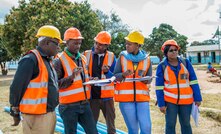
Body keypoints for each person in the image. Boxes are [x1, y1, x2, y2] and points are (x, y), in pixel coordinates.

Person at [9, 25, 62, 134]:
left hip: (48, 113)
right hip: (36, 117)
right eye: (57, 44)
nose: (59, 48)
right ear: (47, 42)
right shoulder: (31, 60)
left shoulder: (47, 60)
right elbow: (16, 87)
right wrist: (14, 110)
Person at [53, 27, 97, 134]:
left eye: (79, 43)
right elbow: (56, 84)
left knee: (93, 131)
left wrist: (90, 79)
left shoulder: (83, 58)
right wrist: (72, 77)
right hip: (68, 107)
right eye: (75, 43)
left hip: (84, 104)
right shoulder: (58, 60)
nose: (78, 46)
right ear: (67, 43)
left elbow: (82, 79)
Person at [155, 39, 202, 134]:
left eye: (175, 50)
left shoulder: (186, 63)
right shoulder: (162, 66)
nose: (174, 52)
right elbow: (159, 87)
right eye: (171, 50)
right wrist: (161, 104)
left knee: (186, 124)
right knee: (170, 124)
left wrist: (198, 98)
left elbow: (194, 81)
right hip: (170, 102)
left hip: (186, 101)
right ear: (166, 53)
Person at [114, 30, 152, 134]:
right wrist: (123, 75)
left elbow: (150, 77)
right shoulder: (122, 57)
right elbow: (115, 76)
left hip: (142, 99)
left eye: (129, 44)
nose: (127, 46)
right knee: (133, 130)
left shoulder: (147, 59)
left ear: (137, 45)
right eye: (126, 43)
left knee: (146, 128)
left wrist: (146, 80)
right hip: (126, 100)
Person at [83, 31, 116, 134]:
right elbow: (82, 75)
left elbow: (115, 77)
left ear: (106, 46)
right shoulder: (86, 55)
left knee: (111, 127)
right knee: (92, 126)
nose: (97, 46)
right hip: (92, 96)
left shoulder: (111, 57)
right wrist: (89, 79)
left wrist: (108, 72)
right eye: (96, 43)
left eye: (101, 44)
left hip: (107, 98)